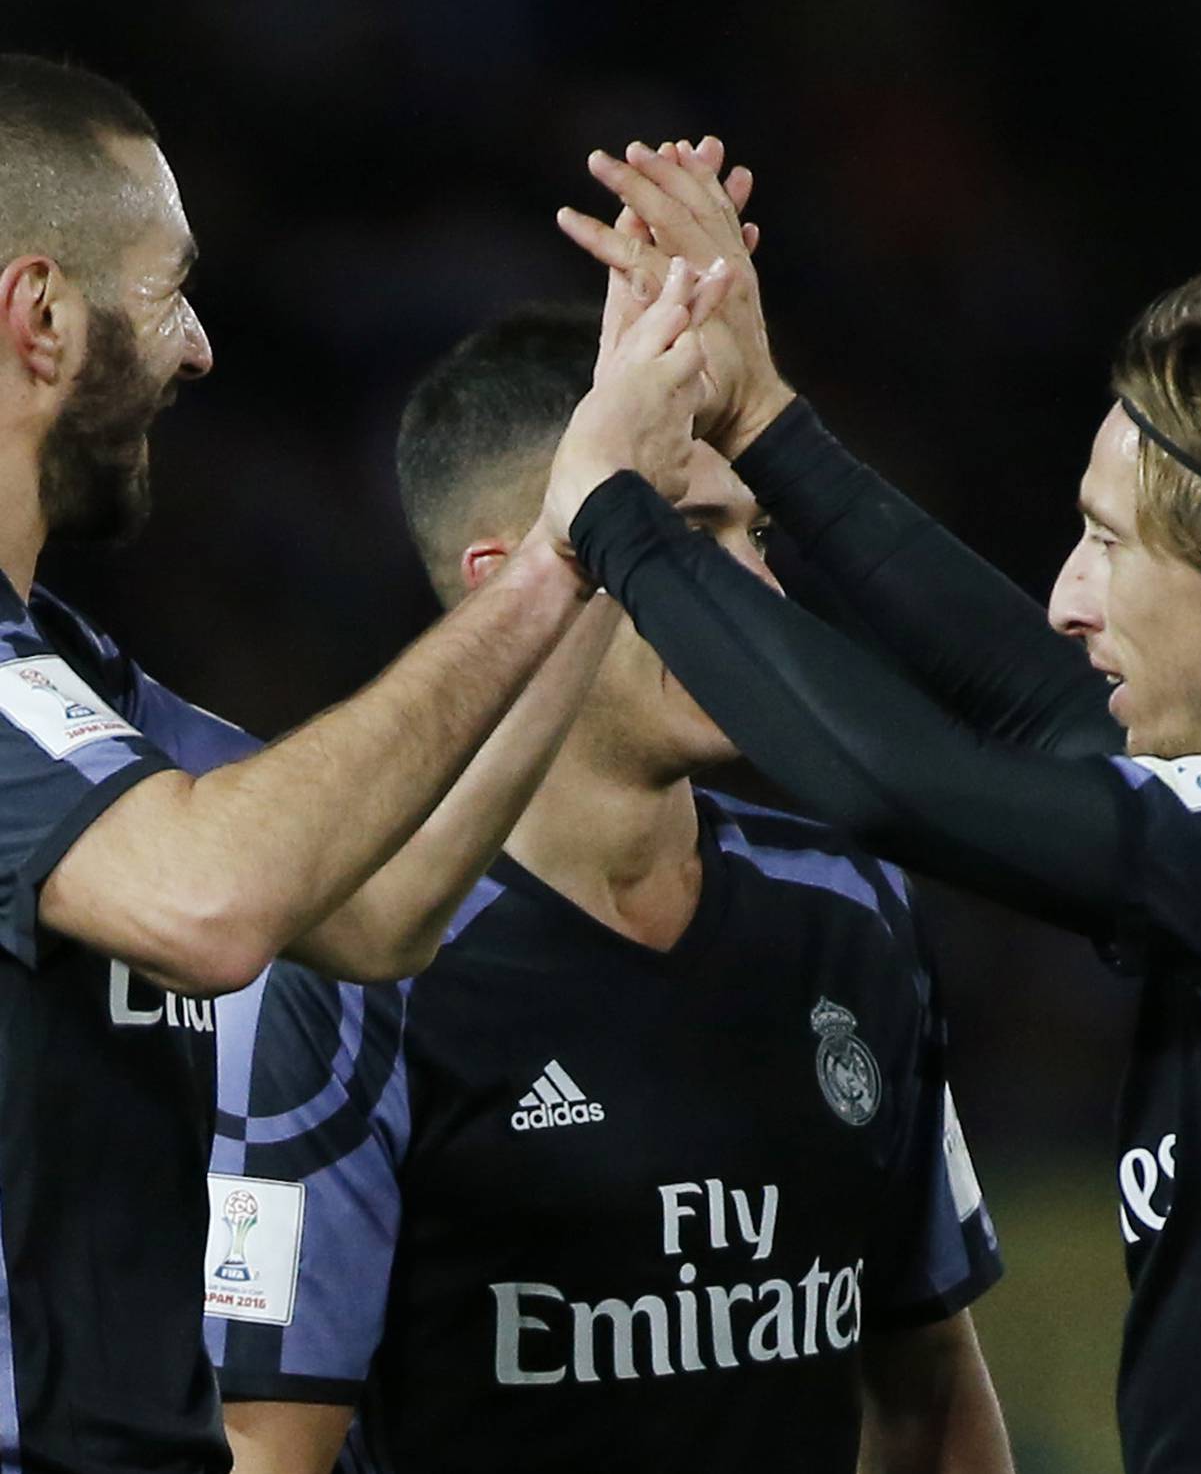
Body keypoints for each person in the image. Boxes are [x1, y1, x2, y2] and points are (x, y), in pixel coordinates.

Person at [544, 140, 1201, 1472]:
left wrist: (613, 514)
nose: (1067, 597)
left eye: (1111, 543)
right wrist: (763, 414)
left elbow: (901, 784)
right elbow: (1028, 707)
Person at [0, 54, 728, 1474]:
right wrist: (563, 537)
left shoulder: (69, 676)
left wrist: (602, 515)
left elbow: (380, 901)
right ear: (38, 318)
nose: (199, 345)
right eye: (165, 291)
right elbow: (209, 900)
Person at [201, 306, 1012, 1474]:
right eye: (685, 539)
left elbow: (931, 1396)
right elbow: (269, 1452)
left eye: (759, 536)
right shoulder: (351, 972)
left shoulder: (851, 913)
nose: (760, 594)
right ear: (516, 582)